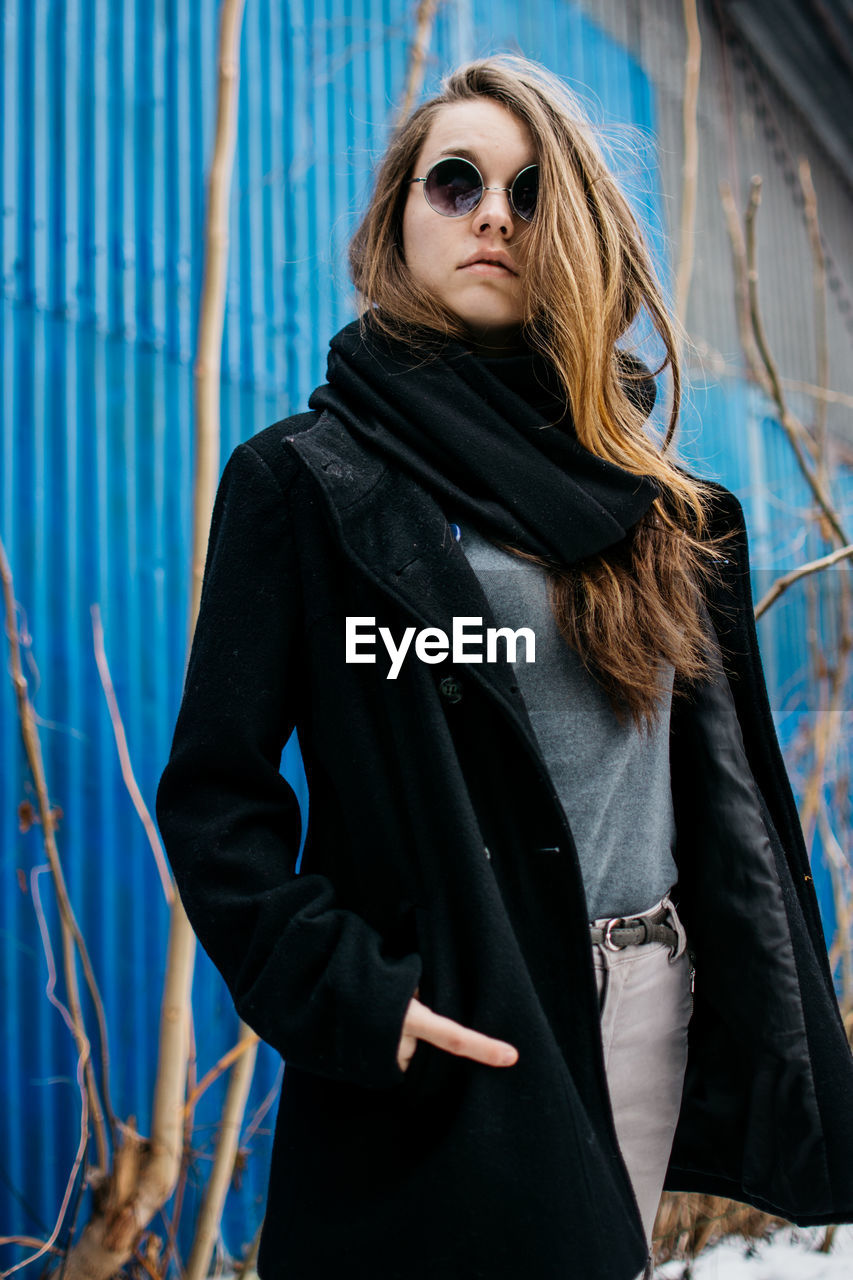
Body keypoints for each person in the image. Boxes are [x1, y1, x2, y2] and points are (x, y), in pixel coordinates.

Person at [155, 53, 853, 1280]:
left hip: (647, 992)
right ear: (397, 220)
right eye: (457, 181)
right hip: (461, 1011)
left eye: (531, 193)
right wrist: (358, 996)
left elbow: (719, 794)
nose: (492, 214)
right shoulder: (307, 481)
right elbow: (217, 796)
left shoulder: (656, 501)